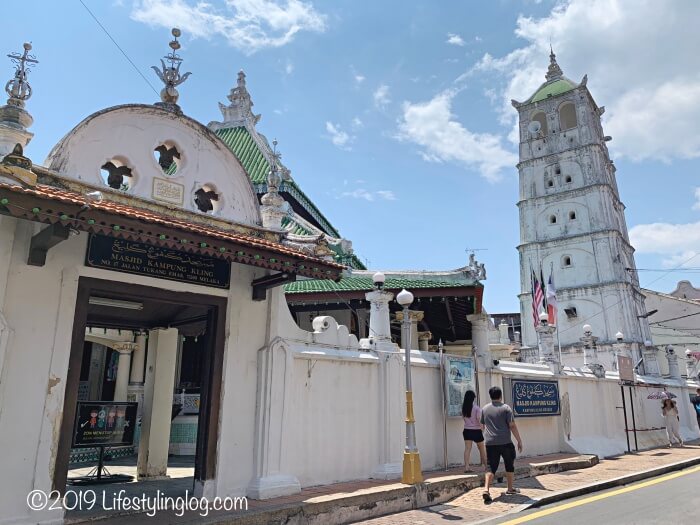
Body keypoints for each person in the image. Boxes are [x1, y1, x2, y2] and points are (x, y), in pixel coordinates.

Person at [480, 386, 523, 503]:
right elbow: (512, 425)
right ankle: (510, 488)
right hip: (505, 441)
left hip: (490, 442)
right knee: (509, 464)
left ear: (490, 396)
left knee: (490, 467)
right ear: (500, 396)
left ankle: (486, 490)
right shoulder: (506, 408)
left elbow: (482, 426)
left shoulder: (484, 409)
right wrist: (519, 440)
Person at [461, 390, 486, 473]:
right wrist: (482, 428)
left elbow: (464, 419)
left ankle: (466, 467)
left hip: (467, 430)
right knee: (482, 448)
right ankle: (486, 466)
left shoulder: (464, 407)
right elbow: (479, 420)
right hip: (476, 431)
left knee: (467, 448)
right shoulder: (476, 408)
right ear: (473, 398)